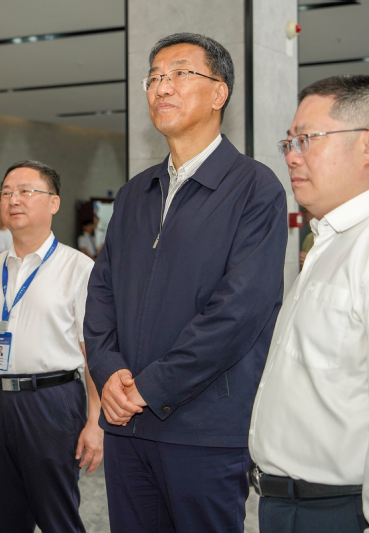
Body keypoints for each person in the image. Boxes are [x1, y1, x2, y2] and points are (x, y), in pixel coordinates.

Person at [84, 32, 287, 532]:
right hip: (127, 424)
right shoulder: (134, 194)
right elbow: (101, 292)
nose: (161, 87)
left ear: (219, 93)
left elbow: (238, 312)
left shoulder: (255, 188)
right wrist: (109, 373)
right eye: (154, 77)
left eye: (179, 74)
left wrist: (149, 387)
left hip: (204, 430)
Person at [249, 75, 369, 533]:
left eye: (307, 139)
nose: (292, 155)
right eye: (289, 142)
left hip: (343, 512)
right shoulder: (332, 241)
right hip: (289, 506)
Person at [0, 160, 103, 533]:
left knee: (58, 518)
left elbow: (93, 354)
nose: (13, 199)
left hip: (52, 402)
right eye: (6, 192)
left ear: (54, 202)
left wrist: (95, 421)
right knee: (5, 519)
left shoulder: (79, 269)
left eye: (25, 191)